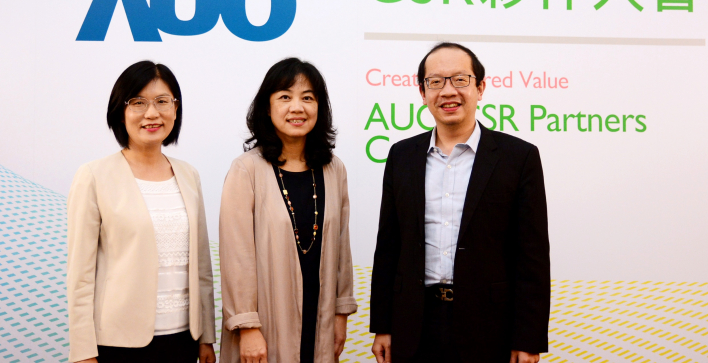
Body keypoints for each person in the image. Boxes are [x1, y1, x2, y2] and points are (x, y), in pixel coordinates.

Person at [370, 42, 550, 363]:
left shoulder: (518, 157)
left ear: (480, 88)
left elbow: (531, 256)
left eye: (460, 79)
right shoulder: (402, 156)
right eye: (435, 81)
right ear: (423, 92)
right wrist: (382, 326)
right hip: (414, 324)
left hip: (489, 328)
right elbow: (388, 247)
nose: (448, 91)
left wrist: (527, 338)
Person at [67, 61, 216, 363]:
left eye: (162, 101)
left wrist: (206, 339)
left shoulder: (189, 175)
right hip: (120, 344)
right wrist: (83, 352)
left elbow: (201, 269)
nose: (152, 113)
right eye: (138, 102)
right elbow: (80, 276)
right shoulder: (94, 176)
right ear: (120, 111)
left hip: (184, 340)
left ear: (176, 108)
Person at [219, 57, 357, 363]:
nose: (297, 107)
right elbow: (236, 257)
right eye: (285, 97)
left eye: (308, 98)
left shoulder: (334, 169)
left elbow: (341, 249)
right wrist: (247, 326)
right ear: (267, 108)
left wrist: (340, 313)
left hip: (321, 320)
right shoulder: (246, 170)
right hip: (264, 326)